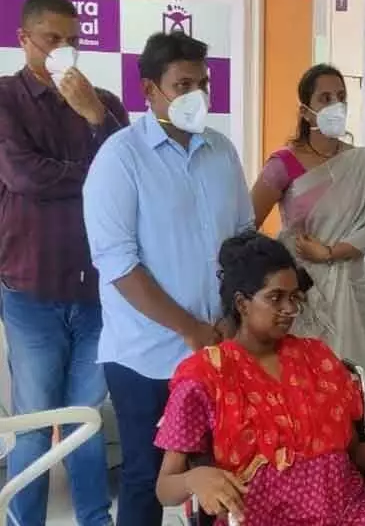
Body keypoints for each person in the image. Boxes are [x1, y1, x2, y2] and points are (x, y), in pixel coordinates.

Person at [83, 31, 254, 525]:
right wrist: (190, 328)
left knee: (215, 471)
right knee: (147, 475)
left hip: (218, 347)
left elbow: (243, 240)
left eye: (204, 83)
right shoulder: (120, 159)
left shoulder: (221, 151)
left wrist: (230, 319)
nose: (197, 95)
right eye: (183, 85)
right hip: (144, 357)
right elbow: (118, 264)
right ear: (149, 90)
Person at [154, 231, 365, 525]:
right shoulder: (204, 376)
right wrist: (195, 479)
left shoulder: (318, 358)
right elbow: (165, 488)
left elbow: (352, 453)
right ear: (242, 303)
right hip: (259, 519)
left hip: (347, 511)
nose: (290, 309)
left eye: (294, 298)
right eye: (275, 298)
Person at [0, 0, 126, 526]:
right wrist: (91, 175)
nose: (64, 50)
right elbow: (23, 176)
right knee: (34, 422)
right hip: (30, 287)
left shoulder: (105, 102)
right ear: (24, 40)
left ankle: (93, 520)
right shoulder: (5, 99)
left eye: (74, 40)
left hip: (100, 291)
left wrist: (95, 117)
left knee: (86, 423)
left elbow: (131, 170)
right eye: (53, 40)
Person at [251, 64, 365, 368]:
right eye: (325, 98)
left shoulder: (359, 162)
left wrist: (329, 252)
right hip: (301, 290)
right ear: (305, 111)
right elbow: (247, 227)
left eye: (341, 97)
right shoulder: (284, 165)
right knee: (303, 378)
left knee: (348, 377)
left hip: (349, 286)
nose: (335, 105)